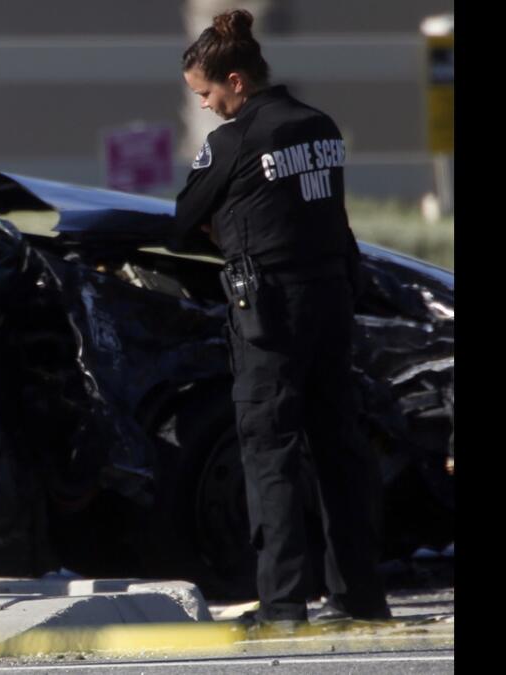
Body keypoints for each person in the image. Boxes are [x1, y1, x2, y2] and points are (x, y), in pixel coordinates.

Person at [173, 9, 391, 624]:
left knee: (268, 451)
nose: (208, 105)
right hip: (330, 302)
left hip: (268, 313)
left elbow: (183, 219)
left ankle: (283, 601)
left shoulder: (235, 140)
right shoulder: (321, 127)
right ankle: (360, 598)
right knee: (338, 451)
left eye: (208, 93)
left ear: (237, 81)